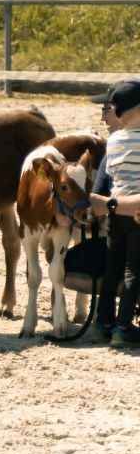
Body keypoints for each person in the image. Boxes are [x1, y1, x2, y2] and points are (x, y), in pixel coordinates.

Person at [88, 79, 140, 343]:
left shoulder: (115, 141)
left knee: (113, 267)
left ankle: (102, 323)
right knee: (133, 270)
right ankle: (123, 327)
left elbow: (111, 175)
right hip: (136, 213)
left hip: (114, 212)